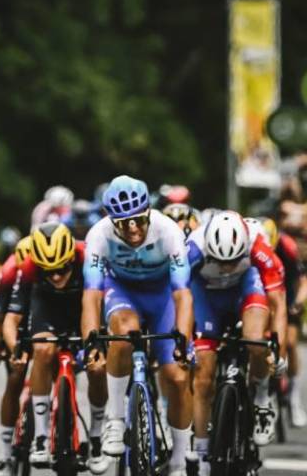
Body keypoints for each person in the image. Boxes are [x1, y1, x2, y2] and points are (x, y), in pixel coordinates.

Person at [80, 175, 194, 476]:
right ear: (111, 221)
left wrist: (182, 339)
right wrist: (91, 341)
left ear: (149, 213)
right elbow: (91, 295)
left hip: (163, 297)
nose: (133, 229)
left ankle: (179, 461)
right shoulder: (99, 235)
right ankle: (116, 421)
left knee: (178, 377)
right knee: (123, 331)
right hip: (123, 292)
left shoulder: (168, 231)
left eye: (139, 221)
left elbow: (183, 294)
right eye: (123, 223)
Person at [2, 221, 109, 474]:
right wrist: (15, 348)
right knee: (42, 350)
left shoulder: (88, 258)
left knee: (97, 368)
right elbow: (11, 319)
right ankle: (40, 437)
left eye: (62, 269)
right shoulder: (27, 267)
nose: (57, 276)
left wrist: (101, 342)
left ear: (71, 258)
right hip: (47, 311)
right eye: (48, 272)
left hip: (83, 311)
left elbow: (102, 305)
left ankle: (96, 437)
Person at [185, 212, 273, 475]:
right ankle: (202, 452)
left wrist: (273, 342)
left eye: (233, 261)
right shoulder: (193, 248)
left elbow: (277, 299)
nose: (226, 268)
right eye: (219, 261)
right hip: (207, 297)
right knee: (203, 377)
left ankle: (262, 399)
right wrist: (185, 340)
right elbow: (177, 295)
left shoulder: (257, 241)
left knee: (256, 343)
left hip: (244, 291)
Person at [0, 236, 32, 476]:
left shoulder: (45, 268)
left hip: (43, 318)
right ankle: (5, 454)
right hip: (14, 322)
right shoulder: (8, 272)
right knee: (15, 379)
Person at [261, 217, 307, 427]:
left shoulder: (287, 247)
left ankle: (295, 398)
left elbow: (302, 280)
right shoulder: (253, 248)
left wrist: (297, 303)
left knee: (289, 342)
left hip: (287, 296)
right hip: (263, 295)